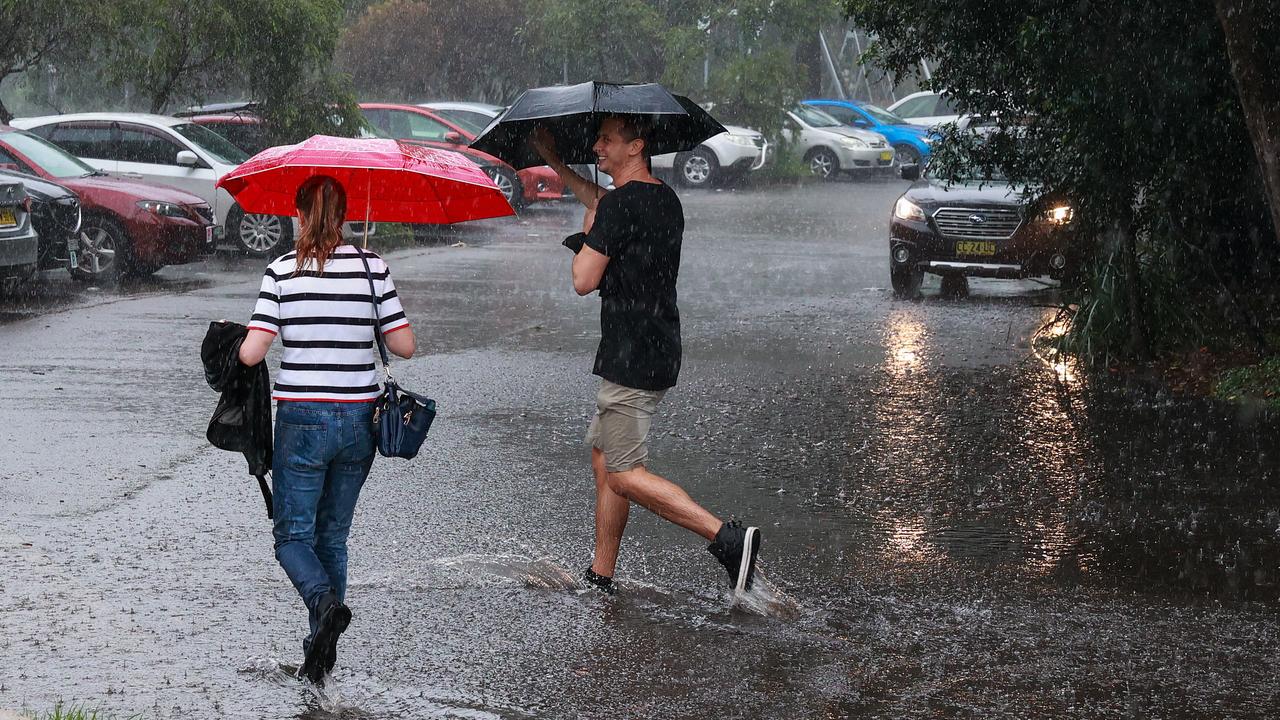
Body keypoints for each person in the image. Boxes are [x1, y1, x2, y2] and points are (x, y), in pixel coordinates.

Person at [531, 116, 762, 596]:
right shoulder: (662, 198)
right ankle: (602, 572)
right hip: (656, 344)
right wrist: (556, 162)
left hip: (630, 353)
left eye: (606, 140)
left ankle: (727, 539)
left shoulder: (616, 209)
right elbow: (603, 201)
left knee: (624, 472)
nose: (596, 146)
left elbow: (582, 280)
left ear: (635, 146)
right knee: (604, 457)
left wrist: (587, 234)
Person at [238, 175, 416, 684]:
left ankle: (322, 607)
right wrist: (370, 297)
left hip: (301, 419)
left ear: (298, 215)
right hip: (359, 421)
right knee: (332, 535)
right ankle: (325, 641)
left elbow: (253, 352)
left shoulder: (281, 271)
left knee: (292, 536)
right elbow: (404, 346)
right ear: (342, 217)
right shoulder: (371, 268)